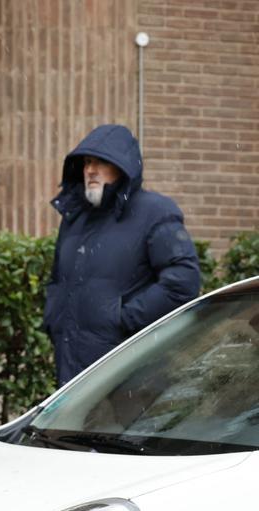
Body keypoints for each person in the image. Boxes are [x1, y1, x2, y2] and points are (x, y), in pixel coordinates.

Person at [45, 124, 200, 386]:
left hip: (129, 371)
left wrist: (124, 319)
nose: (91, 170)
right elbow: (58, 279)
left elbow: (182, 282)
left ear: (123, 166)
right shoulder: (75, 218)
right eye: (86, 162)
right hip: (71, 368)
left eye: (101, 162)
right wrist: (54, 318)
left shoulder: (155, 212)